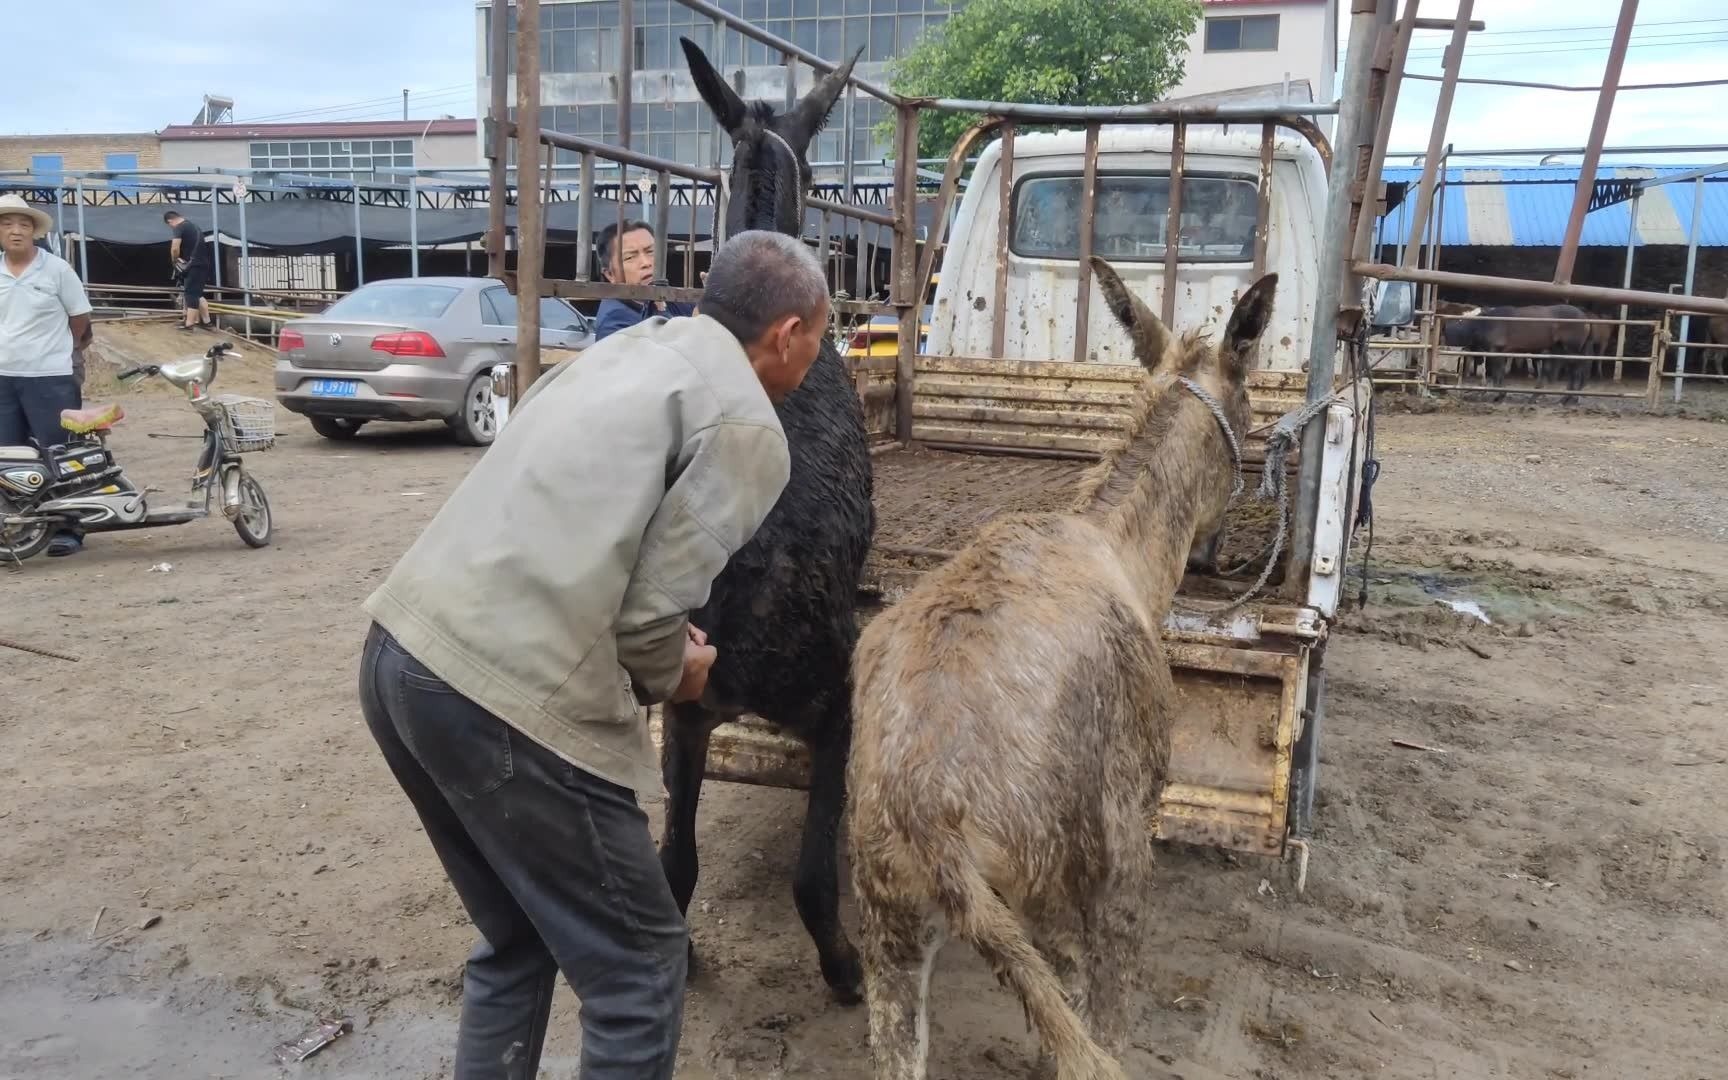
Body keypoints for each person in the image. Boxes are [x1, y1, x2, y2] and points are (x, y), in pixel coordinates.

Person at [357, 230, 830, 1080]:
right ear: (789, 334)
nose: (816, 361)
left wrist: (650, 633)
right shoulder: (747, 425)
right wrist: (677, 669)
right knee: (642, 967)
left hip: (401, 656)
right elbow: (651, 621)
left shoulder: (624, 354)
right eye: (822, 341)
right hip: (508, 700)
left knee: (516, 937)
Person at [0, 194, 93, 558]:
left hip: (50, 376)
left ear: (34, 231)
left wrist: (62, 350)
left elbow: (79, 316)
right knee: (10, 457)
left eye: (23, 225)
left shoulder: (56, 270)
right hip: (4, 377)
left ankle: (69, 528)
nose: (16, 231)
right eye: (7, 224)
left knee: (62, 454)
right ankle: (20, 526)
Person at [592, 219, 696, 342]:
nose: (646, 263)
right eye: (630, 257)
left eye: (651, 252)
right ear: (610, 274)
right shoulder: (613, 321)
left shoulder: (670, 296)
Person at [163, 210, 214, 333]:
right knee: (198, 293)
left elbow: (175, 248)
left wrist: (175, 261)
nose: (171, 227)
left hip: (192, 265)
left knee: (191, 294)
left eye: (169, 225)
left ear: (170, 221)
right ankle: (207, 322)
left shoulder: (179, 228)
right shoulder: (194, 226)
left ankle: (189, 325)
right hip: (203, 264)